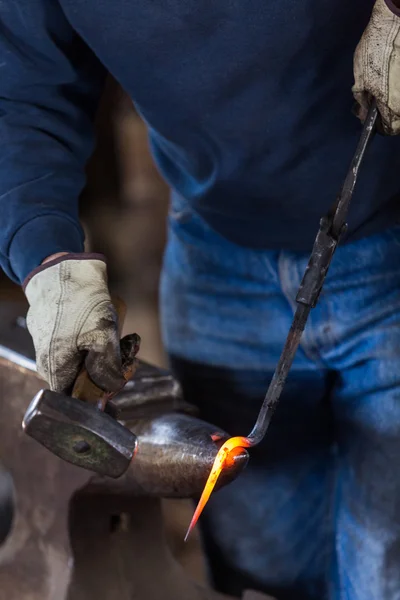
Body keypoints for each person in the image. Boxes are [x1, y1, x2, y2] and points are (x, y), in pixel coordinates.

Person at [1, 0, 400, 598]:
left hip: (388, 232)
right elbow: (20, 93)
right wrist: (46, 259)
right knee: (261, 576)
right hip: (216, 251)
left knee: (383, 573)